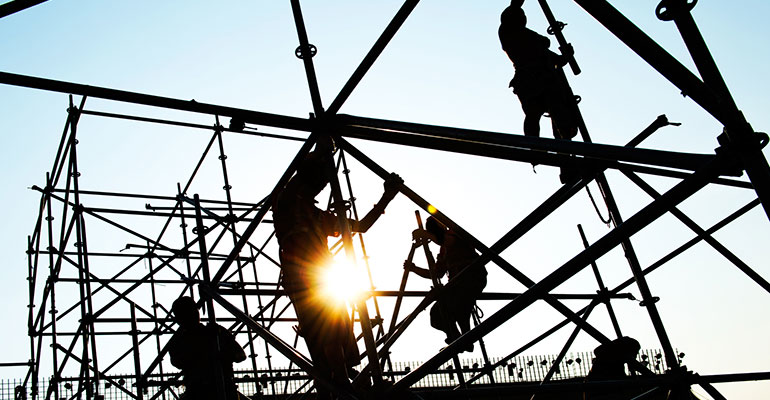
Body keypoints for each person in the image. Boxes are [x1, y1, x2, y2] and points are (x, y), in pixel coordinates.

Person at [272, 148, 402, 399]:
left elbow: (360, 226)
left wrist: (386, 198)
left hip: (322, 275)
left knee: (334, 329)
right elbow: (299, 177)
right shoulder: (287, 204)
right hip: (303, 277)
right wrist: (321, 150)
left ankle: (339, 379)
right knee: (326, 329)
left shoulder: (318, 216)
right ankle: (339, 381)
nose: (320, 186)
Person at [498, 1, 579, 141]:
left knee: (558, 114)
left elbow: (558, 61)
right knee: (533, 115)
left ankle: (564, 149)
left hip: (546, 80)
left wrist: (566, 55)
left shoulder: (538, 47)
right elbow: (542, 42)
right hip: (529, 80)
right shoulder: (511, 34)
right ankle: (535, 148)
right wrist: (516, 5)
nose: (523, 17)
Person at [404, 216, 487, 352]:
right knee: (441, 315)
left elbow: (446, 241)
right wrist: (414, 269)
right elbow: (436, 274)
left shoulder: (453, 234)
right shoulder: (443, 250)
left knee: (451, 310)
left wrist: (423, 234)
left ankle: (462, 340)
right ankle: (459, 339)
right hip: (457, 285)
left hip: (471, 279)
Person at [168, 296, 246, 400]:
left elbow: (240, 355)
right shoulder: (179, 341)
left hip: (221, 389)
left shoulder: (216, 331)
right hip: (201, 391)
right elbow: (177, 361)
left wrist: (222, 354)